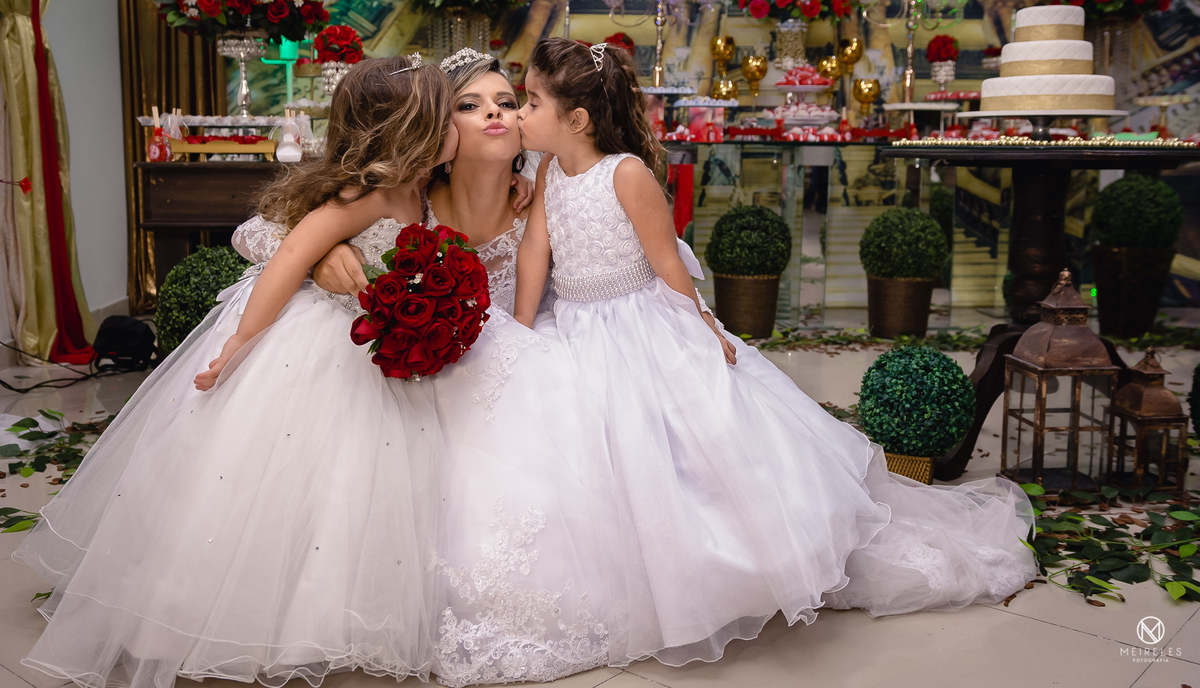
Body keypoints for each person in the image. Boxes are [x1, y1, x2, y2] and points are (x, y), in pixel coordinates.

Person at [512, 38, 1039, 668]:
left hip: (638, 325)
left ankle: (713, 574)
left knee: (673, 446)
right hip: (572, 327)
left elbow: (666, 266)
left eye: (531, 101)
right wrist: (522, 333)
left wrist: (704, 329)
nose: (518, 112)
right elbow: (534, 253)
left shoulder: (626, 174)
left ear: (576, 120)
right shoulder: (547, 172)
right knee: (592, 452)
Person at [13, 56, 456, 688]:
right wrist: (243, 341)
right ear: (409, 131)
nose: (458, 128)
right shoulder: (368, 195)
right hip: (314, 341)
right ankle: (223, 615)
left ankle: (330, 609)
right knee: (284, 477)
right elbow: (289, 258)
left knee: (352, 484)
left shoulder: (421, 188)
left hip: (371, 342)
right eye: (447, 117)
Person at [243, 49, 617, 687]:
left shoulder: (546, 195)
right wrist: (321, 254)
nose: (494, 115)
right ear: (438, 130)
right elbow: (258, 231)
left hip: (506, 370)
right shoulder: (410, 192)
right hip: (407, 386)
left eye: (508, 102)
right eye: (468, 107)